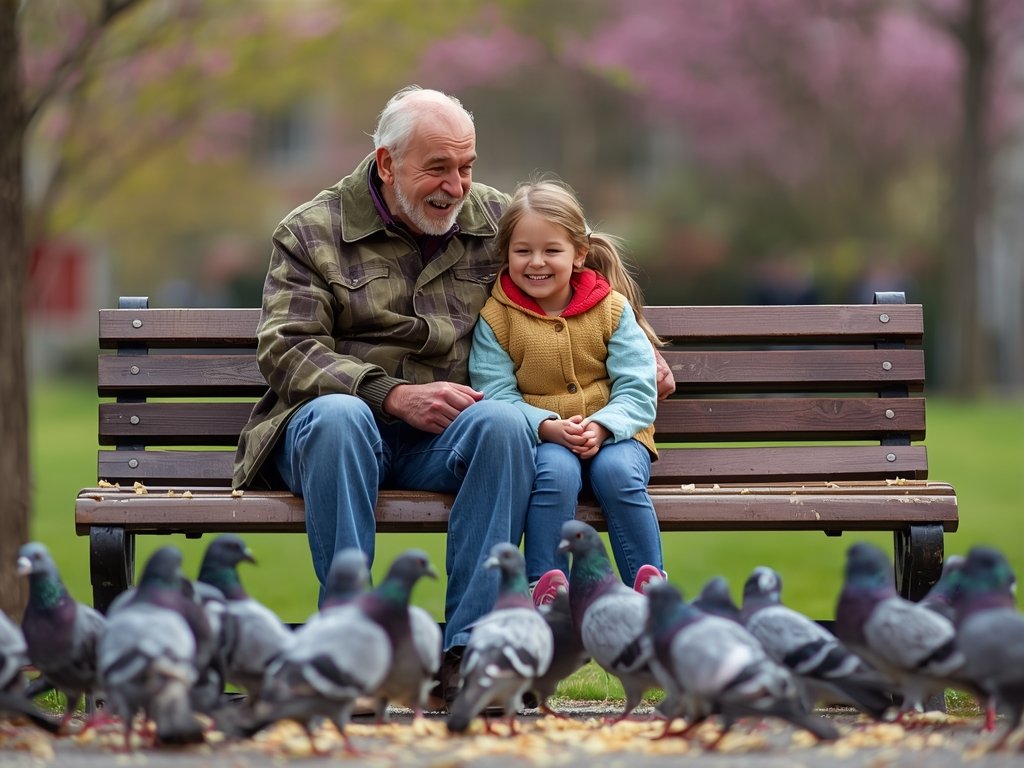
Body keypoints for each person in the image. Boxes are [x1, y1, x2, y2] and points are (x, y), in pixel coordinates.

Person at [232, 86, 675, 708]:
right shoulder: (311, 232)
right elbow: (287, 350)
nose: (456, 185)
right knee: (339, 416)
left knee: (501, 421)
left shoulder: (494, 220)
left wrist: (641, 346)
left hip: (445, 435)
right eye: (437, 168)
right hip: (336, 431)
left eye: (466, 167)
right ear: (387, 164)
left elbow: (580, 275)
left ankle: (470, 650)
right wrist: (391, 395)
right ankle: (352, 647)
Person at [468, 179, 665, 604]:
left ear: (578, 253)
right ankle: (547, 588)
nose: (536, 262)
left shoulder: (611, 308)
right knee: (554, 476)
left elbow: (637, 385)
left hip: (619, 432)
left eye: (551, 251)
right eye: (523, 251)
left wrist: (603, 425)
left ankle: (648, 588)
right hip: (546, 438)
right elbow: (496, 394)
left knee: (617, 475)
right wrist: (548, 426)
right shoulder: (497, 318)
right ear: (506, 254)